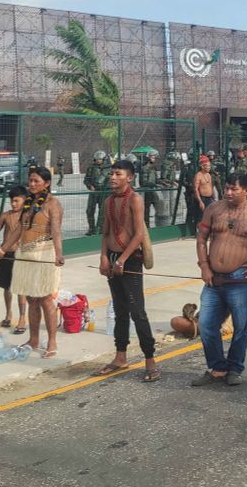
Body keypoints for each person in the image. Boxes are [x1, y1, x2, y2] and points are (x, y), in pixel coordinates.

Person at [191, 173, 247, 386]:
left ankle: (235, 368)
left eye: (235, 189)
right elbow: (201, 239)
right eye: (227, 188)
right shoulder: (214, 209)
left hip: (240, 278)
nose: (229, 193)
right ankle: (217, 368)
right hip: (213, 278)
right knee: (205, 324)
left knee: (241, 326)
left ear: (246, 190)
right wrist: (204, 266)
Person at [95, 160, 160, 382]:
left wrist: (122, 259)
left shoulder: (135, 199)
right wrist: (104, 257)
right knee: (119, 310)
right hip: (113, 260)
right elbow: (105, 234)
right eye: (111, 173)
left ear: (129, 177)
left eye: (118, 174)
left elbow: (138, 235)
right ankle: (120, 356)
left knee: (137, 311)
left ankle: (150, 360)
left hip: (130, 261)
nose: (112, 177)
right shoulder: (108, 201)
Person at [0, 168, 65, 357]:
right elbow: (19, 229)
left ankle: (52, 342)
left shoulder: (53, 204)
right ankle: (34, 339)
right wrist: (3, 248)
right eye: (30, 181)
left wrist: (59, 254)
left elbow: (57, 231)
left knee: (45, 299)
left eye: (36, 181)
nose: (32, 184)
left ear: (47, 183)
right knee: (32, 299)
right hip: (25, 255)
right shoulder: (28, 202)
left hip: (45, 254)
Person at [0, 185, 28, 334]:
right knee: (6, 287)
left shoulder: (27, 215)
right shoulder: (5, 215)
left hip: (21, 256)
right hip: (5, 255)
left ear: (24, 200)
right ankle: (8, 313)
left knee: (21, 288)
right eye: (12, 201)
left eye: (16, 200)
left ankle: (22, 318)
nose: (13, 204)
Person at [84, 151, 109, 235]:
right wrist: (89, 186)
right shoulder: (91, 168)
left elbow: (110, 181)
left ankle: (100, 229)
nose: (98, 160)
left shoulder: (108, 168)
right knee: (89, 210)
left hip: (103, 192)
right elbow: (86, 179)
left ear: (103, 159)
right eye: (97, 159)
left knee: (102, 212)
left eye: (100, 159)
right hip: (94, 192)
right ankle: (91, 228)